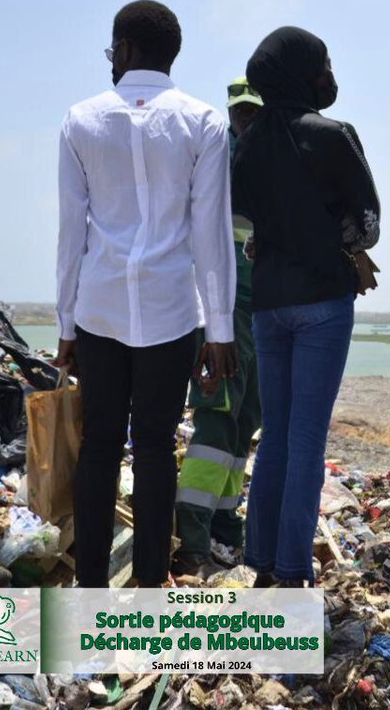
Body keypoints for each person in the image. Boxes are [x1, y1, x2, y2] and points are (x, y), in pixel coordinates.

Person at [54, 0, 237, 588]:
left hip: (99, 308)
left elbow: (71, 232)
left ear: (126, 49)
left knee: (101, 445)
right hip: (173, 311)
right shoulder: (204, 122)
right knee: (157, 448)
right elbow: (210, 232)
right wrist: (221, 330)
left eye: (113, 51)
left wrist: (64, 323)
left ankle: (89, 590)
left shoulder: (80, 120)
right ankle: (152, 585)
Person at [234, 26, 380, 589]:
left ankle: (262, 563)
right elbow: (366, 227)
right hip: (322, 302)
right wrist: (330, 234)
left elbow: (247, 215)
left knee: (274, 436)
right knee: (306, 441)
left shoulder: (247, 140)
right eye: (324, 65)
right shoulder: (334, 135)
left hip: (268, 306)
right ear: (304, 74)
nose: (330, 76)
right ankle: (293, 573)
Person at [172, 77, 264, 580]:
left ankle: (226, 525)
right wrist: (212, 327)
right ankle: (193, 536)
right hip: (223, 314)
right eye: (241, 111)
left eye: (254, 111)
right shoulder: (219, 155)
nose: (246, 119)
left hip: (257, 312)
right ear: (230, 113)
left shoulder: (269, 158)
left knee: (244, 419)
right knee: (216, 418)